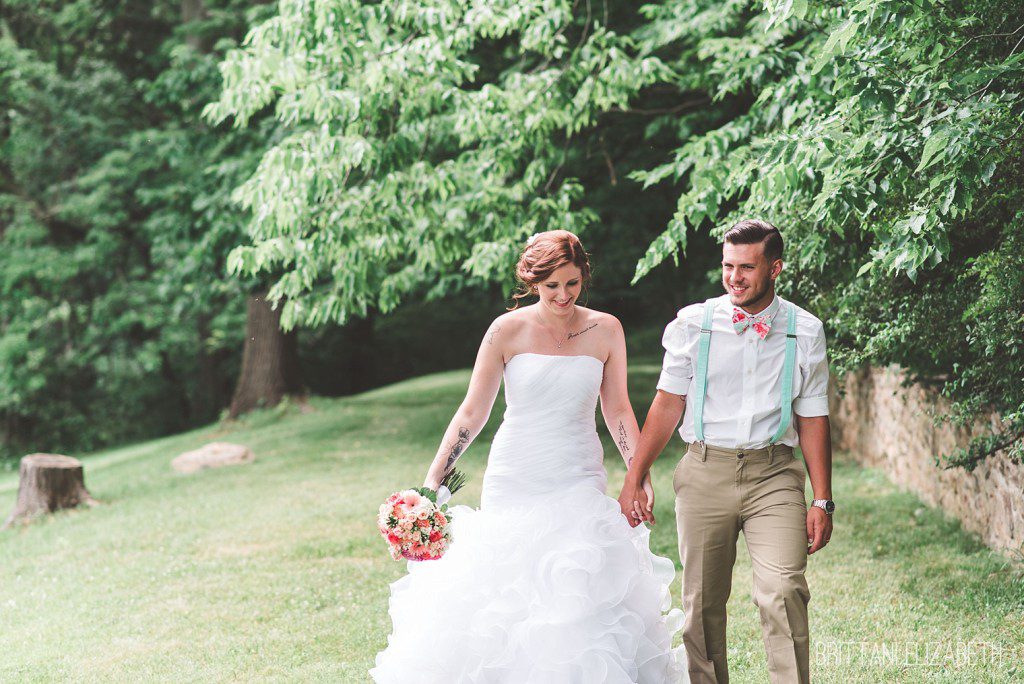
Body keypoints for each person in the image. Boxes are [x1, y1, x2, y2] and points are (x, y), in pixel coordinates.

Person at [370, 230, 687, 683]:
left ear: (584, 280)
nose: (562, 295)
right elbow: (473, 411)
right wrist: (432, 480)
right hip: (516, 473)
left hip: (578, 471)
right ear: (533, 280)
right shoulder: (507, 330)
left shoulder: (606, 329)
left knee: (576, 583)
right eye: (552, 285)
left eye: (572, 284)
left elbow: (616, 408)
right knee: (510, 588)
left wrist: (639, 475)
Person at [618, 219, 834, 684]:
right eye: (728, 266)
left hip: (774, 475)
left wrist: (821, 499)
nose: (734, 278)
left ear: (775, 268)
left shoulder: (806, 331)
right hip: (704, 470)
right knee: (701, 604)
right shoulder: (694, 324)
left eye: (747, 268)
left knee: (783, 590)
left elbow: (813, 416)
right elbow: (667, 403)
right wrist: (636, 474)